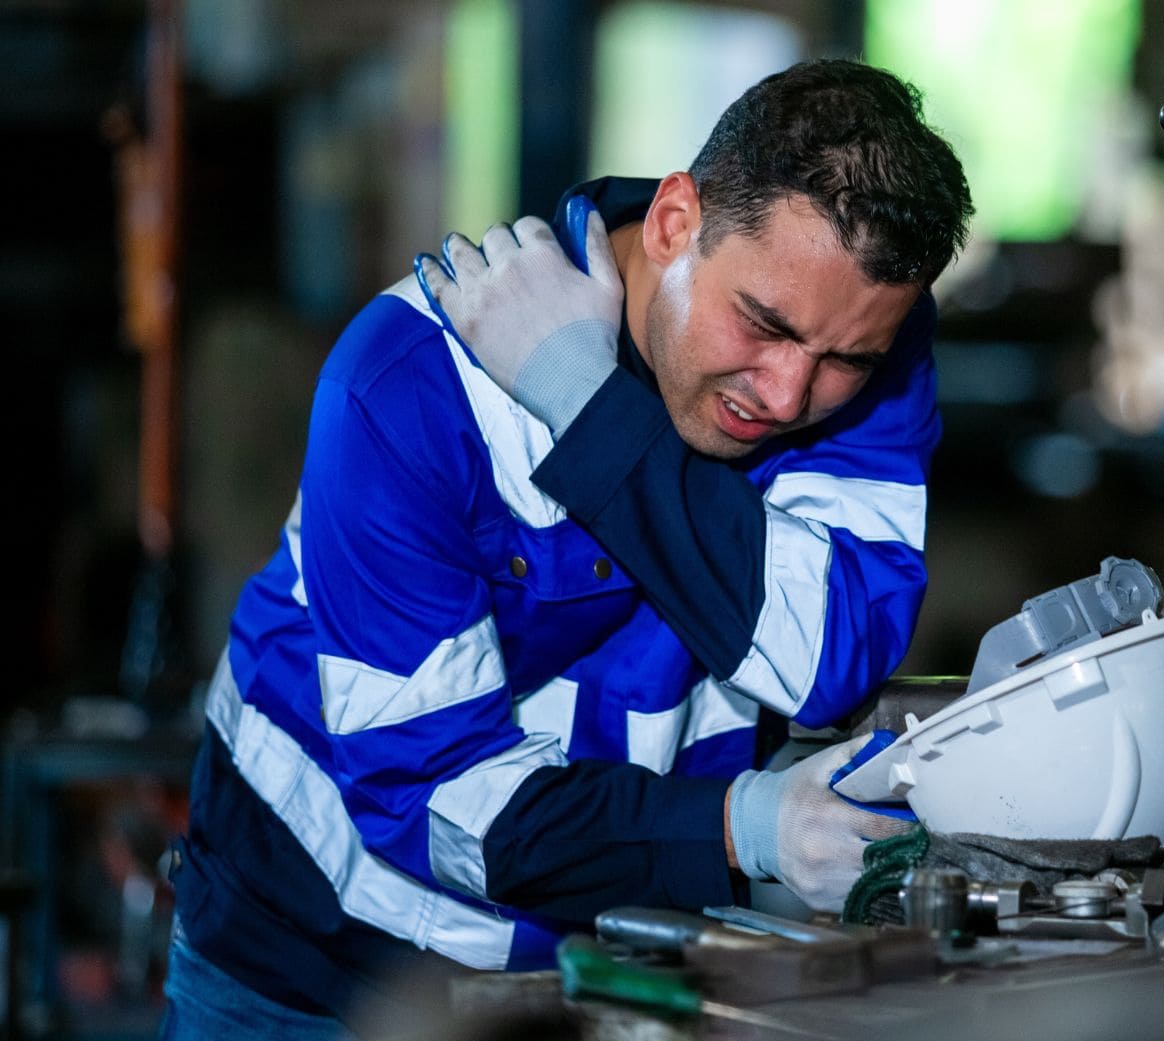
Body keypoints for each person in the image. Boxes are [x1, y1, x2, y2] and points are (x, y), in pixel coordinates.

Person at [162, 58, 972, 1038]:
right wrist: (742, 826)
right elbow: (443, 804)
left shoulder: (857, 322)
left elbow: (828, 661)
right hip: (312, 966)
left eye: (843, 361)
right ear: (674, 222)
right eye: (760, 324)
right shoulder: (411, 383)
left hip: (619, 956)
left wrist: (591, 411)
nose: (788, 394)